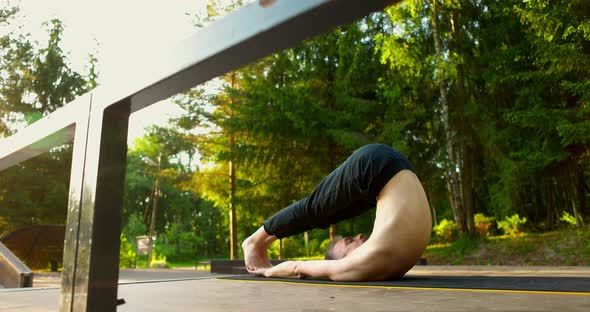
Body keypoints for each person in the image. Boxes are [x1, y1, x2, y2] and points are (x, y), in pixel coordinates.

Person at [242, 143, 432, 281]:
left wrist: (268, 271)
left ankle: (254, 240)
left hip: (378, 168)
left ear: (341, 261)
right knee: (325, 213)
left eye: (349, 240)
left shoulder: (353, 266)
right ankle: (259, 240)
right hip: (382, 169)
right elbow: (298, 267)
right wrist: (267, 270)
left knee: (315, 210)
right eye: (350, 240)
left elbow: (298, 267)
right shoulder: (374, 264)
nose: (358, 235)